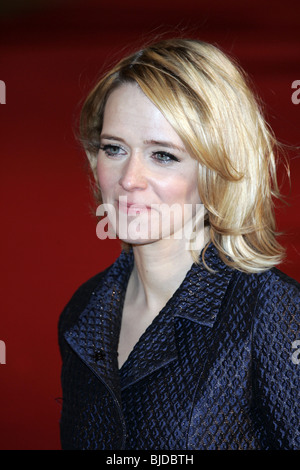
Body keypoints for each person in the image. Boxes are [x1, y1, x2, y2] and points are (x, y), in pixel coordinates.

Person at [58, 37, 300, 450]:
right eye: (114, 149)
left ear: (218, 170)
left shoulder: (273, 314)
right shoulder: (84, 313)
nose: (128, 179)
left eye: (163, 155)